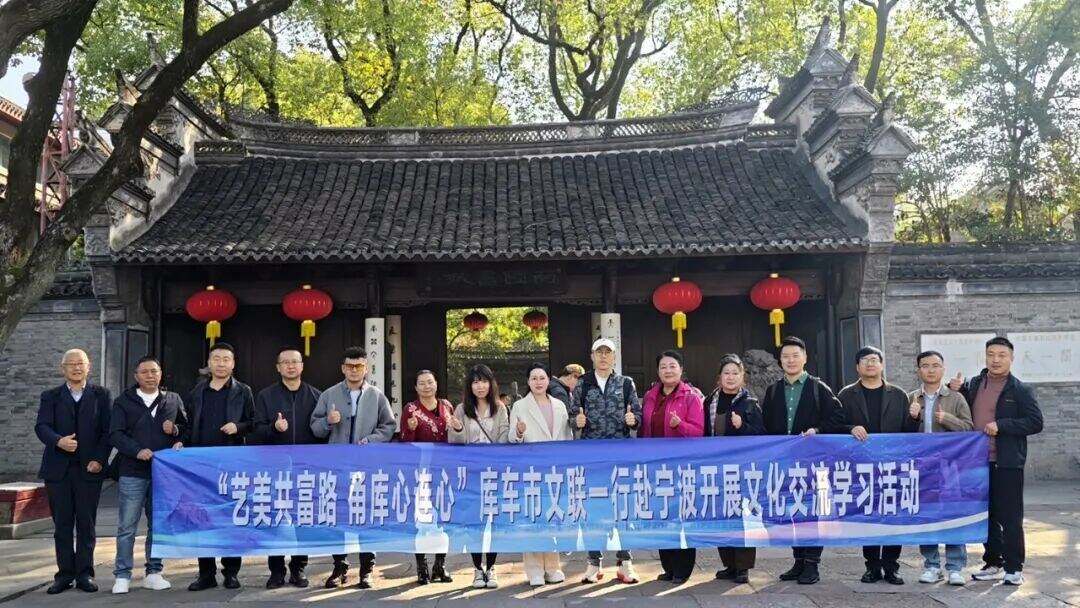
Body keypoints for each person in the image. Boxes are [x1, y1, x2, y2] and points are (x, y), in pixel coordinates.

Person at [948, 337, 1043, 586]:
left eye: (1002, 355)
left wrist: (1002, 425)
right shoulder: (975, 384)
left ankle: (1014, 567)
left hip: (1006, 462)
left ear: (1011, 358)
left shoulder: (1020, 390)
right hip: (976, 461)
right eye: (991, 354)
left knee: (1010, 516)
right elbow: (964, 409)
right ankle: (993, 562)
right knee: (986, 514)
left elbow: (1035, 422)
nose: (996, 359)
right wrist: (955, 388)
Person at [311, 346, 397, 590]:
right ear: (343, 368)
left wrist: (371, 440)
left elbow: (389, 426)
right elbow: (315, 427)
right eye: (350, 366)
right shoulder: (329, 395)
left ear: (366, 368)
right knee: (337, 516)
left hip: (366, 468)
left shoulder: (377, 396)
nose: (354, 370)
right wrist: (328, 422)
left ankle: (367, 569)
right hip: (336, 467)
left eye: (359, 366)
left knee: (365, 517)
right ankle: (339, 567)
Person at [760, 335, 842, 585]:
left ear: (805, 358)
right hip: (784, 463)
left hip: (812, 462)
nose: (791, 360)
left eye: (796, 355)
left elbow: (837, 418)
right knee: (791, 511)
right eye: (786, 356)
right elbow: (765, 424)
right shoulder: (773, 390)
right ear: (780, 360)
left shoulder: (818, 388)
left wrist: (817, 430)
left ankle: (812, 564)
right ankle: (798, 561)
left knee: (812, 512)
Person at [835, 346, 917, 585]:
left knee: (893, 516)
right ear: (857, 367)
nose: (870, 364)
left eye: (874, 359)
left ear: (882, 364)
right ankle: (872, 566)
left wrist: (914, 418)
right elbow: (835, 425)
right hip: (862, 467)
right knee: (868, 516)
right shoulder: (846, 395)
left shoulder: (898, 395)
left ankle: (891, 567)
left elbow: (908, 433)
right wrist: (850, 428)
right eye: (865, 360)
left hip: (893, 466)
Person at [35, 349, 112, 594]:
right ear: (63, 369)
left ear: (89, 367)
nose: (77, 368)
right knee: (62, 525)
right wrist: (58, 441)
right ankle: (64, 575)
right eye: (71, 364)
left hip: (89, 470)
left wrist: (99, 459)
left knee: (87, 524)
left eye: (81, 363)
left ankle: (85, 574)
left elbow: (108, 431)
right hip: (58, 471)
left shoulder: (101, 395)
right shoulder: (51, 396)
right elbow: (42, 426)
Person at [108, 356, 186, 594]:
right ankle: (122, 574)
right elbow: (115, 434)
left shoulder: (172, 399)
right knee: (127, 526)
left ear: (161, 374)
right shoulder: (124, 401)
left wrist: (177, 433)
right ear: (136, 376)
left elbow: (187, 427)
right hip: (132, 471)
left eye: (154, 371)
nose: (150, 376)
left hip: (163, 473)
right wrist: (136, 450)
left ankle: (154, 572)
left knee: (158, 524)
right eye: (145, 372)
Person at [569, 337, 642, 585]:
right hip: (592, 457)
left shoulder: (625, 383)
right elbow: (572, 415)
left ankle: (625, 562)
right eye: (598, 352)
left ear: (614, 356)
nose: (603, 356)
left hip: (620, 455)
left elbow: (637, 412)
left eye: (607, 352)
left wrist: (634, 420)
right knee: (594, 508)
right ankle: (593, 562)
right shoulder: (583, 384)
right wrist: (576, 422)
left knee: (622, 508)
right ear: (592, 356)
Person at [184, 342, 255, 591]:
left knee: (230, 519)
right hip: (202, 465)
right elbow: (188, 424)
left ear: (233, 364)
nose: (221, 363)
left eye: (226, 359)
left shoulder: (243, 391)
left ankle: (231, 572)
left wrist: (239, 427)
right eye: (217, 359)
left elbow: (254, 422)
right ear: (209, 363)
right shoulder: (197, 392)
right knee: (203, 518)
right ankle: (206, 573)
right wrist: (179, 438)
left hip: (231, 464)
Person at [251, 347, 324, 589]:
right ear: (278, 367)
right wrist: (274, 428)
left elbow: (322, 434)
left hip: (306, 469)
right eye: (285, 362)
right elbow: (256, 430)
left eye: (295, 362)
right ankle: (276, 571)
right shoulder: (266, 396)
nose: (291, 366)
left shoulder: (316, 396)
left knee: (304, 520)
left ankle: (298, 569)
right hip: (275, 469)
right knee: (275, 520)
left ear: (302, 366)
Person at [908, 350, 973, 586]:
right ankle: (931, 565)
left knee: (953, 513)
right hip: (922, 467)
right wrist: (912, 418)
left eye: (935, 365)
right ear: (918, 370)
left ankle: (955, 566)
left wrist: (948, 419)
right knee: (927, 515)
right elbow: (902, 434)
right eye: (925, 365)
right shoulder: (911, 398)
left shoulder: (956, 398)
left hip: (950, 466)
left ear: (943, 369)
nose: (931, 370)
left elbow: (969, 429)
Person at [640, 350, 704, 585]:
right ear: (658, 371)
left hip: (682, 467)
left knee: (682, 516)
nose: (668, 370)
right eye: (663, 367)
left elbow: (699, 432)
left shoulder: (691, 397)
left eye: (672, 366)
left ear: (681, 369)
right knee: (661, 516)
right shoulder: (650, 396)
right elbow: (644, 430)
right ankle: (667, 567)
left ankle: (682, 569)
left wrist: (680, 425)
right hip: (656, 466)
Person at [509, 363, 573, 587]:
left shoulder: (559, 405)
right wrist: (519, 432)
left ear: (548, 380)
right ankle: (534, 569)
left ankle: (553, 567)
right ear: (528, 382)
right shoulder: (520, 406)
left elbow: (567, 437)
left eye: (542, 377)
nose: (538, 382)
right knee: (533, 517)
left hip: (555, 468)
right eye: (534, 378)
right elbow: (512, 437)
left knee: (553, 516)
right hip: (532, 469)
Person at [703, 353, 765, 584]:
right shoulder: (709, 401)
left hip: (742, 469)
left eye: (735, 373)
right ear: (719, 377)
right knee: (721, 516)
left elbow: (761, 434)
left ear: (742, 376)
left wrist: (742, 426)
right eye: (726, 373)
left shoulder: (750, 403)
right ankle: (729, 564)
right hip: (716, 468)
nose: (730, 377)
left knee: (742, 517)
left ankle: (743, 568)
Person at [447, 364, 510, 589]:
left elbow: (504, 438)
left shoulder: (500, 408)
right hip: (471, 474)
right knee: (475, 522)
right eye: (475, 382)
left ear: (491, 384)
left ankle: (491, 568)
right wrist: (457, 429)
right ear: (470, 386)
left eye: (484, 381)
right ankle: (477, 569)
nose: (480, 386)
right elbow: (455, 442)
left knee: (494, 521)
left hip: (494, 473)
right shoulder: (461, 409)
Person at [398, 369, 456, 585]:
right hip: (421, 471)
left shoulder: (446, 406)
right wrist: (411, 429)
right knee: (421, 519)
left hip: (445, 471)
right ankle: (421, 567)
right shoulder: (410, 409)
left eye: (430, 382)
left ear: (436, 384)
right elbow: (405, 442)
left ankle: (440, 565)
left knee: (445, 517)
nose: (426, 386)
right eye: (421, 383)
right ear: (416, 387)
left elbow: (455, 436)